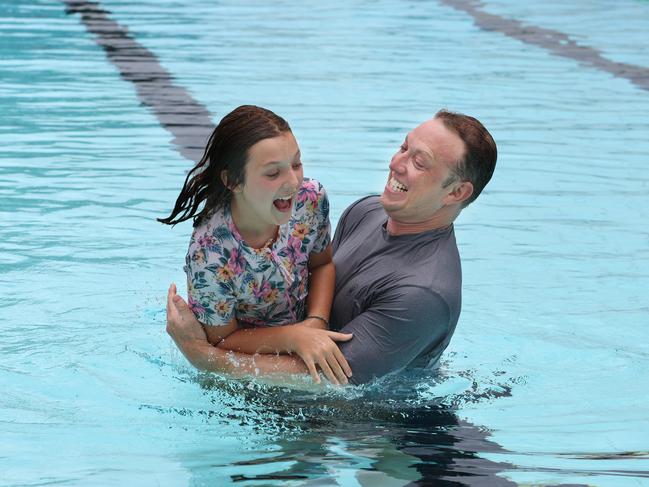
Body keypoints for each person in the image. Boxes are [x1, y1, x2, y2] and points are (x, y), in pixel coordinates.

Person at [166, 109, 497, 385]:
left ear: (455, 193)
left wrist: (203, 357)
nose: (396, 163)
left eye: (420, 163)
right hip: (281, 353)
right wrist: (309, 326)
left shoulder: (423, 293)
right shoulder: (368, 211)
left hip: (375, 428)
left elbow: (327, 381)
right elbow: (311, 271)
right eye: (404, 147)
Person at [159, 105, 354, 385]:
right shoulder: (211, 253)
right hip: (247, 366)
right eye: (273, 173)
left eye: (296, 164)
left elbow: (321, 264)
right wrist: (292, 337)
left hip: (307, 329)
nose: (293, 181)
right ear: (233, 181)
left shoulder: (310, 201)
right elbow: (224, 340)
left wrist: (316, 323)